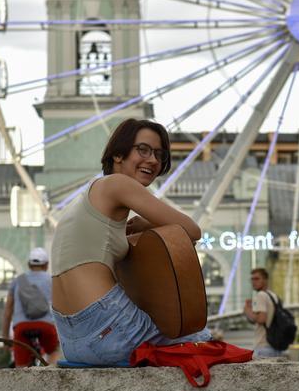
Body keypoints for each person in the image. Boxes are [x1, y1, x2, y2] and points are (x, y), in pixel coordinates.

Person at [51, 118, 209, 367]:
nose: (153, 160)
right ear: (117, 155)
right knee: (204, 341)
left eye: (159, 154)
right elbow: (191, 231)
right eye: (143, 150)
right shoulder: (118, 184)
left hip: (73, 341)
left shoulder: (89, 198)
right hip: (108, 328)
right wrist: (149, 224)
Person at [1, 246, 58, 365]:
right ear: (46, 265)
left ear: (29, 264)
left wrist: (6, 339)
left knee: (21, 367)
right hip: (46, 325)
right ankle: (53, 374)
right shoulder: (51, 280)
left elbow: (7, 313)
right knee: (53, 351)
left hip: (21, 326)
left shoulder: (17, 281)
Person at [244, 268, 286, 359]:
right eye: (252, 279)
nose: (253, 282)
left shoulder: (261, 295)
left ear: (265, 280)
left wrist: (247, 310)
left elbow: (261, 319)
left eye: (257, 279)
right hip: (276, 346)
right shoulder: (274, 296)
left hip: (263, 345)